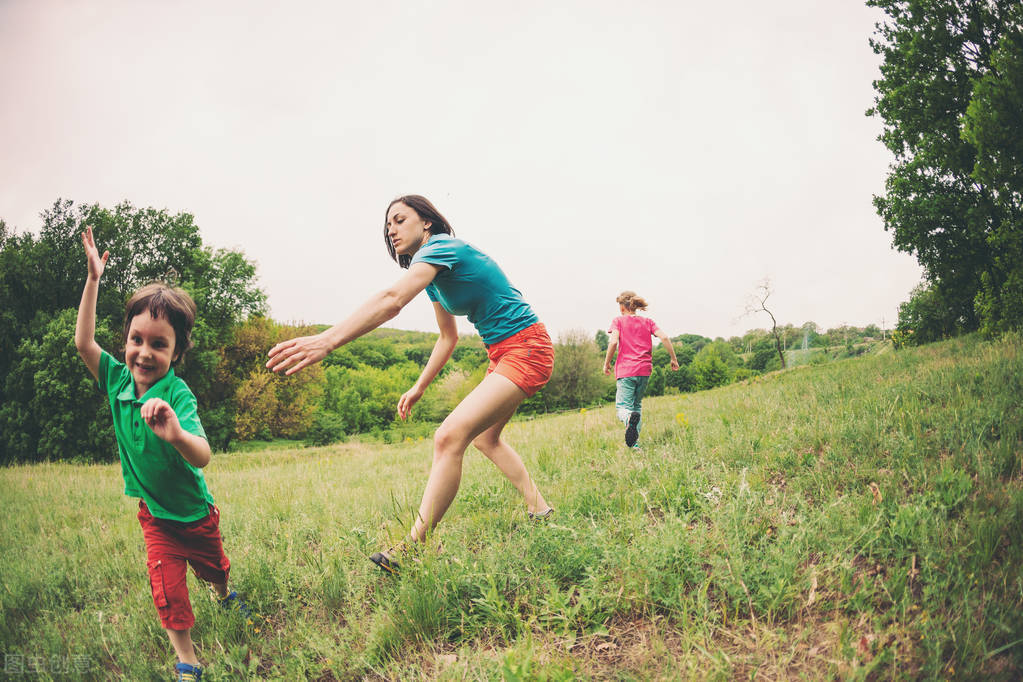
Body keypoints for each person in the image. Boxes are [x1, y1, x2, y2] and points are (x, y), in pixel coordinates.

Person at [266, 195, 555, 574]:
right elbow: (447, 337)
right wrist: (419, 386)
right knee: (485, 438)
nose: (392, 230)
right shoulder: (434, 278)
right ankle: (540, 509)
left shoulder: (442, 248)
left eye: (400, 220)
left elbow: (391, 300)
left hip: (526, 346)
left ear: (427, 224)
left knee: (449, 436)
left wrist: (328, 340)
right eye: (388, 227)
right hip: (503, 352)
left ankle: (412, 547)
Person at [74, 225, 249, 682]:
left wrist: (175, 433)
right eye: (137, 340)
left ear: (176, 351)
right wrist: (94, 280)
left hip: (195, 514)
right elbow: (83, 343)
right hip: (156, 517)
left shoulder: (178, 395)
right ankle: (188, 660)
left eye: (158, 344)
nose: (144, 353)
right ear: (126, 341)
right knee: (167, 589)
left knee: (214, 569)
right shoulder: (115, 381)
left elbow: (203, 456)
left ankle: (223, 593)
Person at [602, 290, 679, 448]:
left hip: (626, 371)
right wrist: (673, 359)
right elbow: (664, 337)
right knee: (636, 406)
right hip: (644, 371)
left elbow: (614, 342)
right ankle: (634, 445)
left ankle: (629, 419)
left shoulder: (618, 321)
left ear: (622, 308)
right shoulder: (648, 322)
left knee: (623, 408)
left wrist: (607, 363)